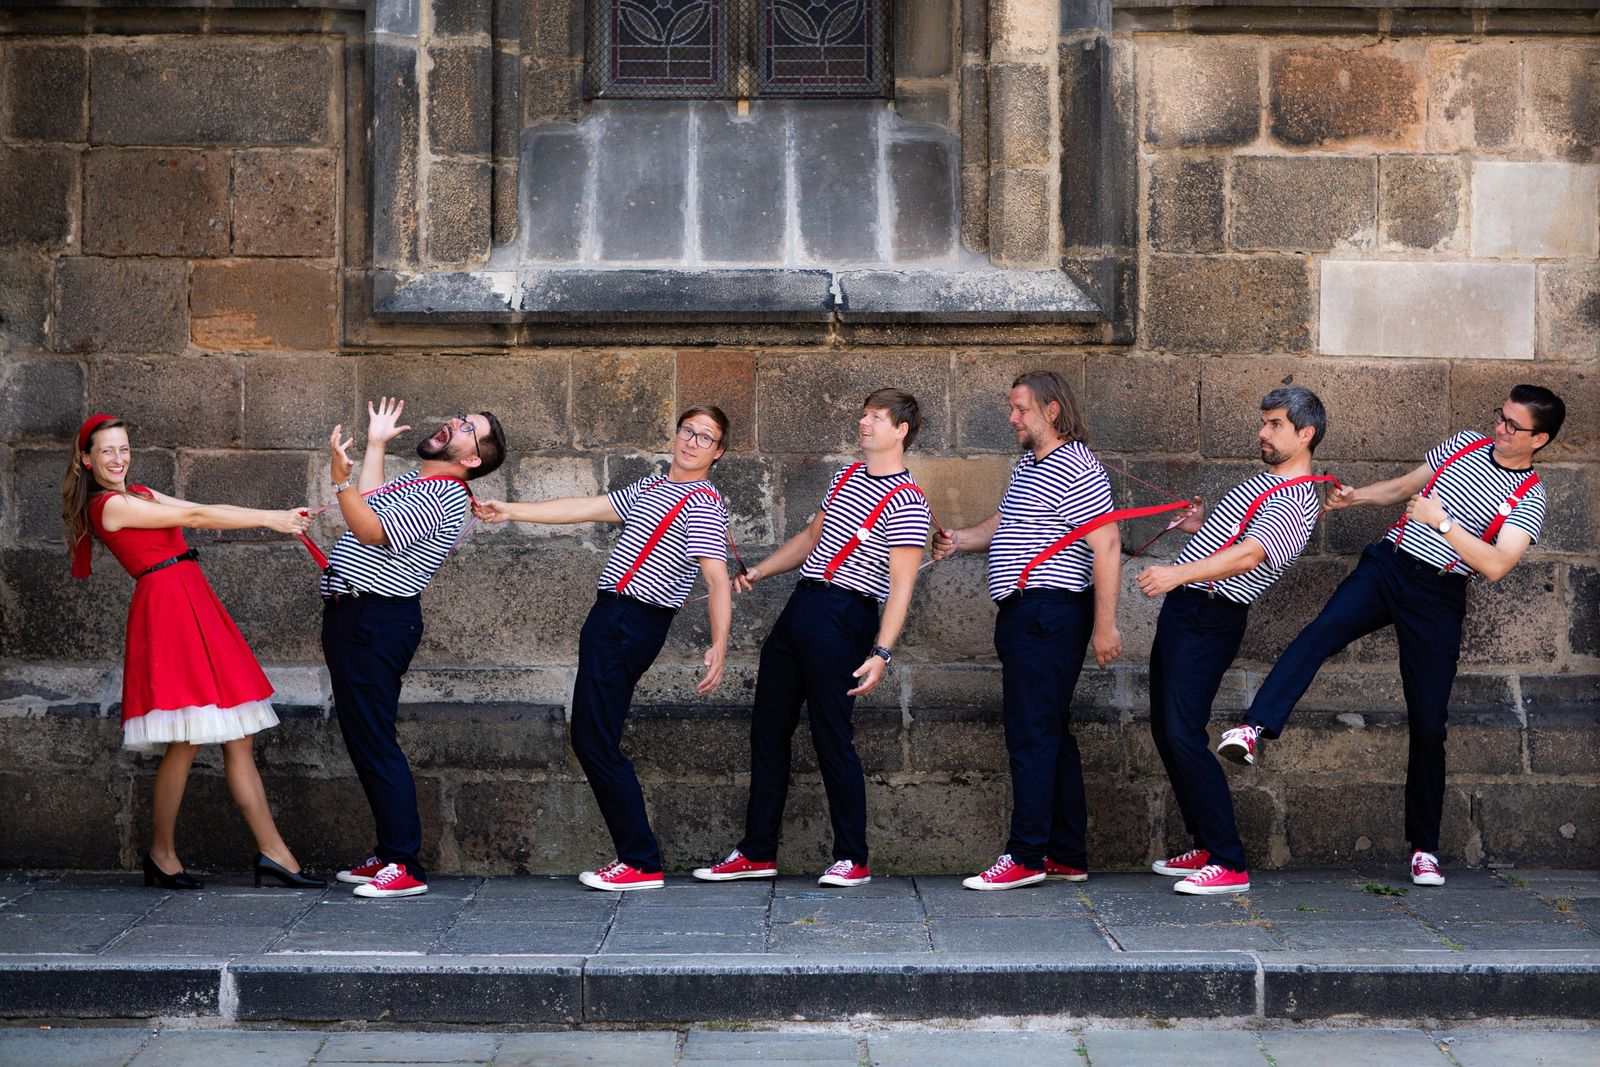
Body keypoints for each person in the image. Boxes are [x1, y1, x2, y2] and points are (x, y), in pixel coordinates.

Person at [1217, 384, 1564, 888]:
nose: (1500, 427)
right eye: (1500, 416)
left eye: (1513, 425)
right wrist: (1355, 498)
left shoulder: (1530, 496)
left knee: (1429, 721)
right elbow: (1405, 487)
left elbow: (1496, 563)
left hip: (1439, 594)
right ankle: (1253, 728)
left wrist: (1442, 522)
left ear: (1539, 439)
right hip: (1389, 565)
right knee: (1324, 630)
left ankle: (1424, 849)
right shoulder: (1464, 443)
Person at [476, 406, 734, 891]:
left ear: (718, 452)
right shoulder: (653, 487)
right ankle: (637, 858)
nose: (692, 441)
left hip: (632, 621)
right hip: (611, 616)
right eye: (688, 430)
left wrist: (719, 644)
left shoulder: (702, 503)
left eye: (706, 437)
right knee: (594, 735)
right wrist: (510, 510)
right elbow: (583, 507)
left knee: (594, 739)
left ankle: (640, 860)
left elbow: (717, 579)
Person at [63, 413, 323, 891]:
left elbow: (201, 507)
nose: (118, 459)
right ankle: (161, 855)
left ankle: (275, 854)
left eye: (124, 448)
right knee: (185, 741)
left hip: (193, 601)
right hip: (168, 612)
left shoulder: (139, 493)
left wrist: (280, 517)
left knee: (239, 735)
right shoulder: (109, 507)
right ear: (87, 459)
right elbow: (196, 519)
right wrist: (271, 519)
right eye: (107, 451)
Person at [693, 389, 931, 889]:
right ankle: (757, 851)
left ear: (901, 430)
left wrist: (882, 652)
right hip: (802, 605)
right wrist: (761, 571)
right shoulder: (845, 476)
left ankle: (853, 857)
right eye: (863, 414)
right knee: (768, 729)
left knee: (831, 736)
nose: (864, 423)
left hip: (845, 615)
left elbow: (902, 587)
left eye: (876, 418)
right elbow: (810, 539)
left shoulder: (909, 501)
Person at [1134, 386, 1330, 895]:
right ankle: (1206, 844)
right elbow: (1233, 540)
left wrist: (1177, 575)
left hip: (1208, 616)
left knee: (1181, 733)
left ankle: (1228, 861)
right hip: (1188, 610)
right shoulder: (1267, 482)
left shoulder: (1297, 498)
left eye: (1275, 424)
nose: (1263, 432)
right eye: (1263, 421)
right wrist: (1201, 526)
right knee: (1167, 730)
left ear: (1305, 434)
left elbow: (1251, 554)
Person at [930, 370, 1122, 890]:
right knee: (1050, 732)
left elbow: (1106, 545)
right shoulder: (1031, 466)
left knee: (1030, 733)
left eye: (1021, 409)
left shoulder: (1077, 467)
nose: (1012, 418)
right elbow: (1006, 523)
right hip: (1027, 614)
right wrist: (960, 539)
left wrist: (1106, 626)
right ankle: (1065, 853)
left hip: (1048, 611)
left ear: (1051, 411)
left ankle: (1026, 855)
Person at [324, 398, 507, 899]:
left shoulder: (444, 496)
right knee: (365, 737)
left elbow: (368, 529)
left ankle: (404, 863)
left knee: (375, 739)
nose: (455, 422)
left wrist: (339, 481)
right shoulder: (419, 482)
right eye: (461, 417)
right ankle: (389, 852)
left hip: (376, 621)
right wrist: (376, 445)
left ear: (472, 458)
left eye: (468, 427)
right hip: (357, 617)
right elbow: (370, 502)